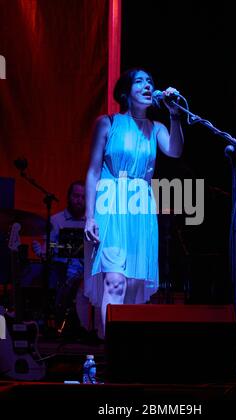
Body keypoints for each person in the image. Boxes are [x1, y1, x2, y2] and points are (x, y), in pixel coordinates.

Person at [84, 68, 184, 336]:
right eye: (140, 81)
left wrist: (174, 114)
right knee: (115, 281)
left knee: (132, 288)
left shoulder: (157, 128)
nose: (148, 85)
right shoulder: (107, 123)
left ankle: (125, 352)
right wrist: (89, 217)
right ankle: (111, 351)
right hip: (110, 203)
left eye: (151, 81)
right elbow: (93, 171)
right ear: (126, 93)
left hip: (140, 206)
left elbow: (175, 151)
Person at [32, 180, 86, 329]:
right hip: (62, 274)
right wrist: (42, 251)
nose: (79, 200)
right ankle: (58, 324)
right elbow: (48, 247)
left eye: (83, 197)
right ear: (69, 197)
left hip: (86, 274)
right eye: (76, 196)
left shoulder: (91, 221)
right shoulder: (56, 221)